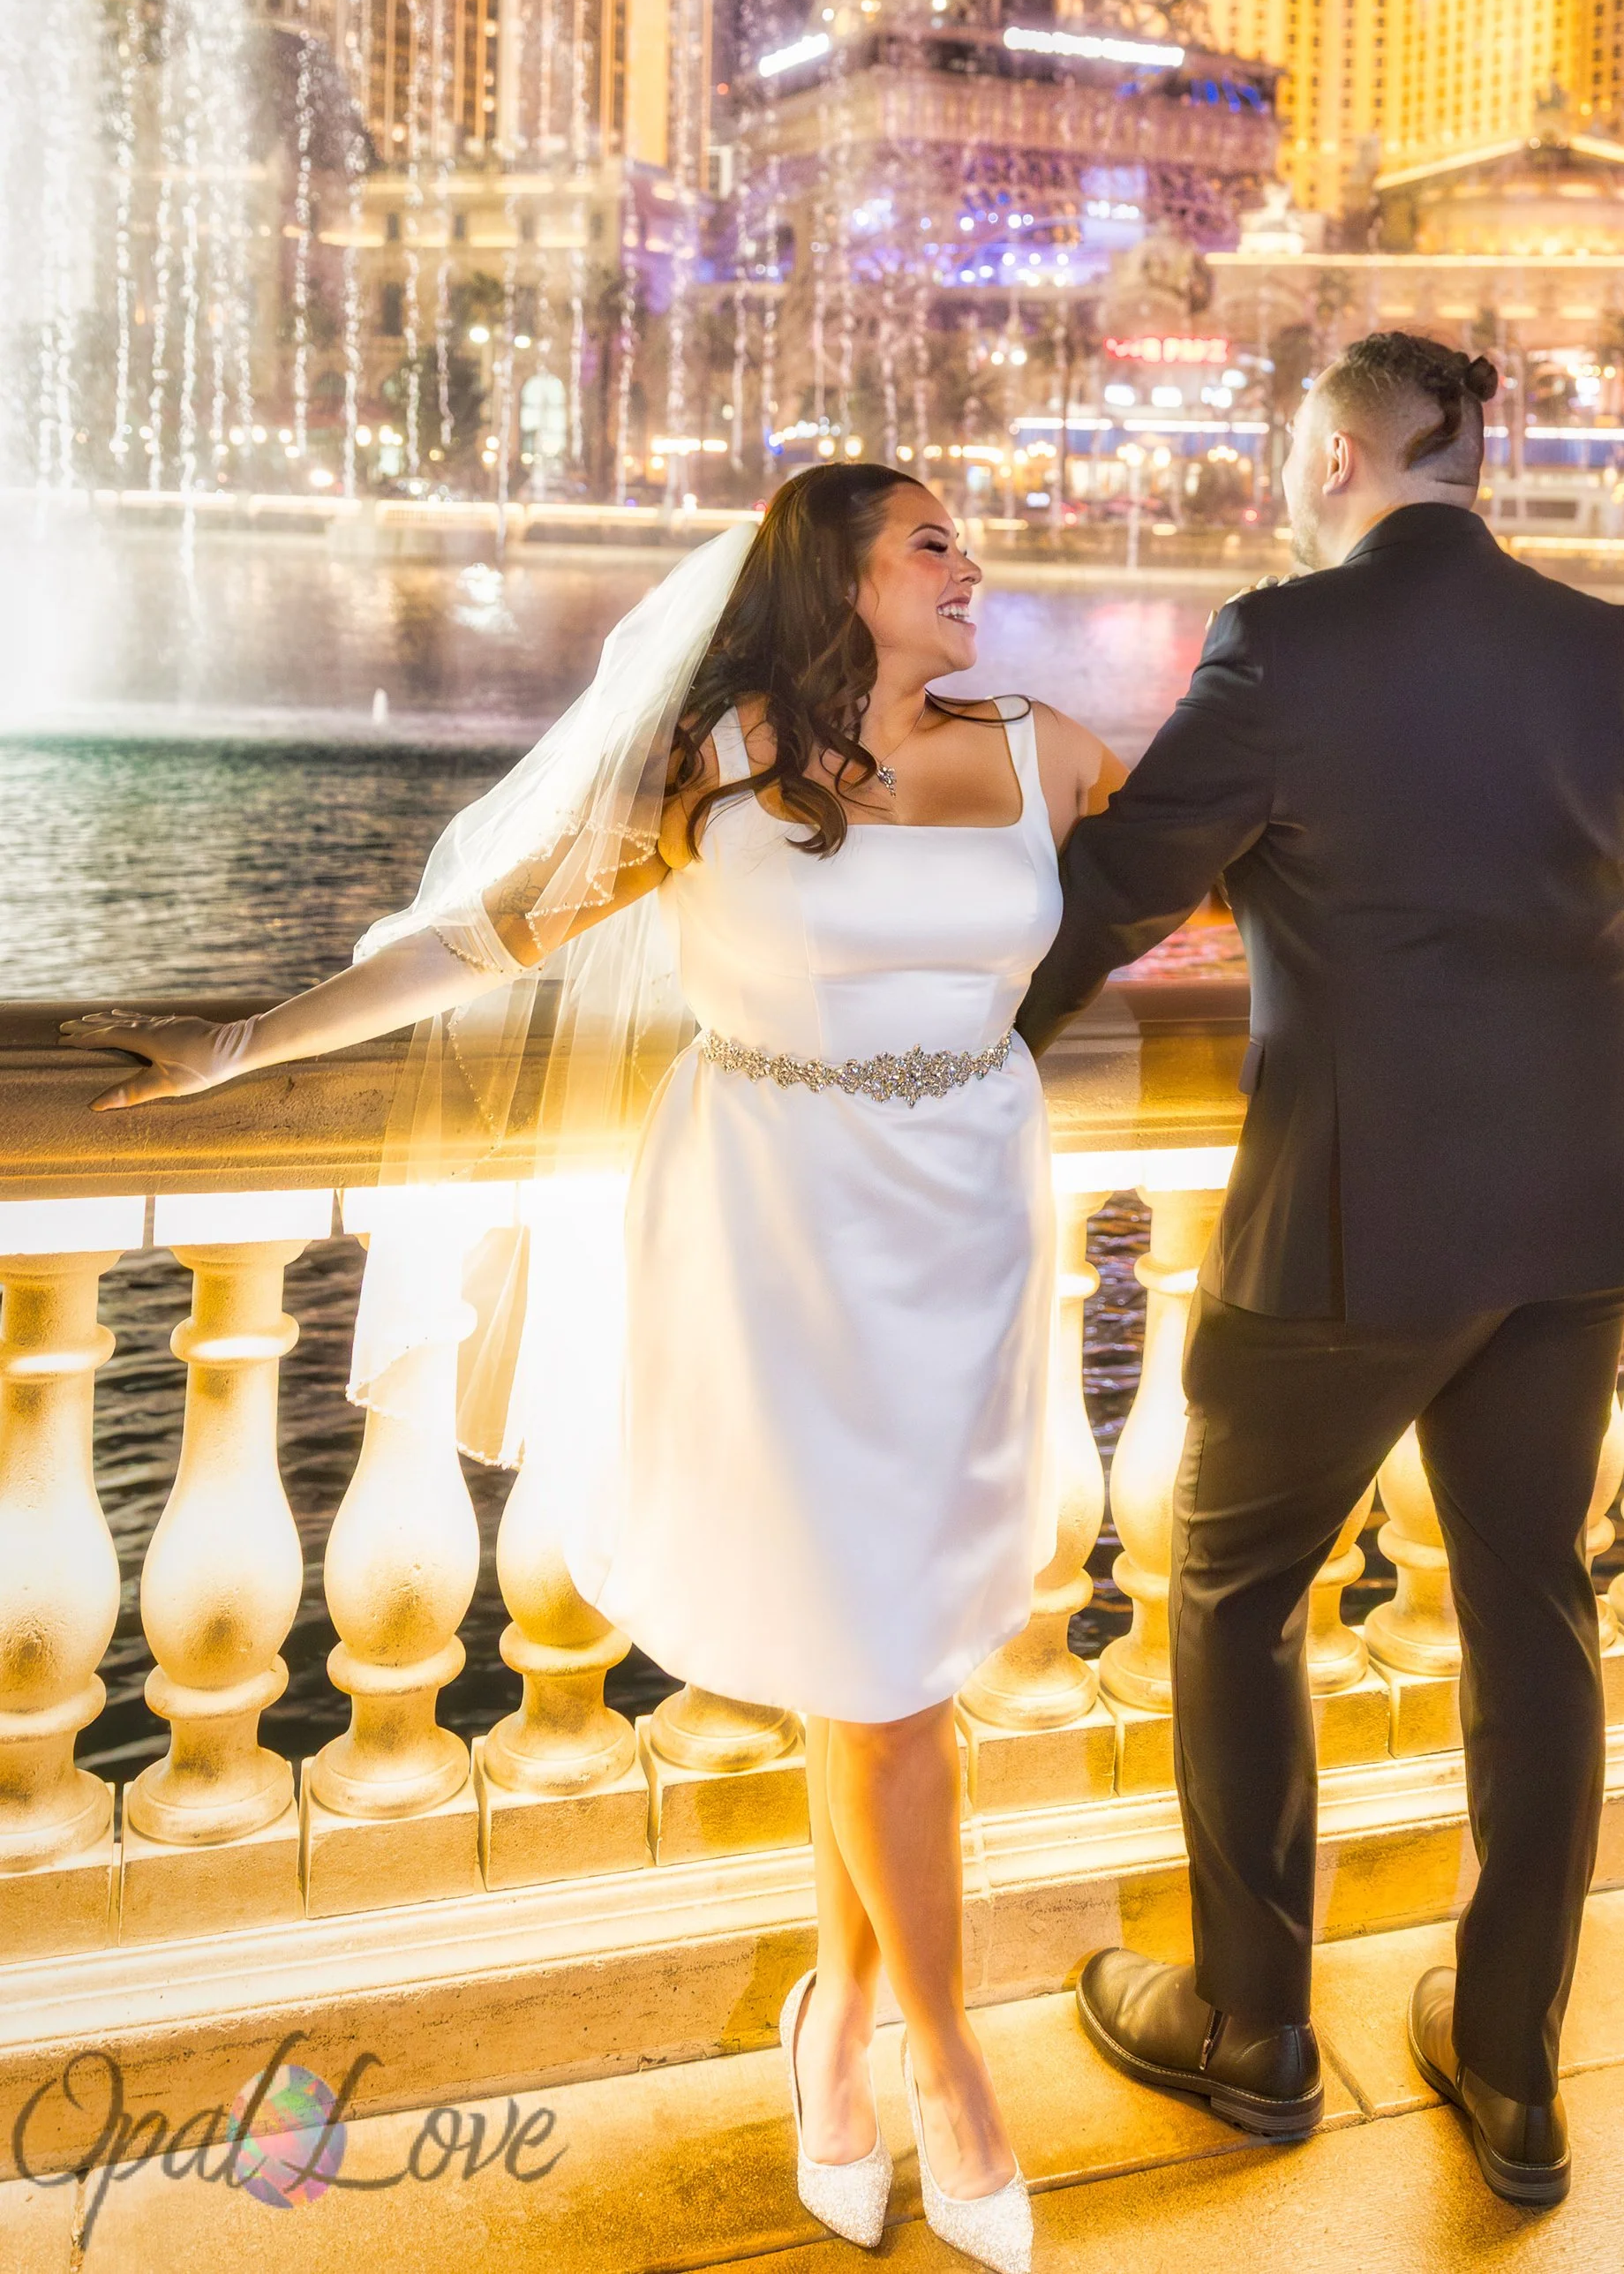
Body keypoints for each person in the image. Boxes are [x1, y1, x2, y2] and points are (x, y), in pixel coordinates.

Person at [64, 463, 1125, 2274]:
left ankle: (830, 2050)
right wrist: (239, 1040)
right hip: (773, 1235)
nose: (974, 566)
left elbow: (1249, 872)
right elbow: (480, 938)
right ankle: (945, 2069)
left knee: (877, 1660)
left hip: (966, 1231)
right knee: (881, 1672)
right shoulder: (705, 763)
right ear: (838, 577)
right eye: (931, 541)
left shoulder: (1047, 745)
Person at [1014, 330, 1624, 2212]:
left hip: (1349, 1214)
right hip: (1574, 1204)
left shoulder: (1280, 639)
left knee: (1234, 1586)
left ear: (1337, 452)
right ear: (1469, 458)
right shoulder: (1610, 648)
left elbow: (1115, 894)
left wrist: (948, 1058)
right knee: (1530, 1607)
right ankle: (1510, 2072)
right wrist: (1532, 1033)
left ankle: (1251, 2035)